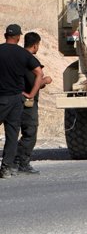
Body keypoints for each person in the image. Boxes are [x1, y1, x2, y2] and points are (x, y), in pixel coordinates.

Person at [0, 24, 42, 179]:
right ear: (18, 37)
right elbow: (39, 73)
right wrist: (31, 94)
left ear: (5, 36)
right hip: (16, 100)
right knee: (12, 135)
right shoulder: (23, 54)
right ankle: (6, 168)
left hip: (1, 97)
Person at [15, 32, 51, 175]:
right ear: (35, 45)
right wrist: (45, 81)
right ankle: (22, 162)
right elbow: (33, 82)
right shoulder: (29, 59)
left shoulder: (16, 57)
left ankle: (12, 162)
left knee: (13, 132)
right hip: (27, 101)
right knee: (30, 132)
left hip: (13, 99)